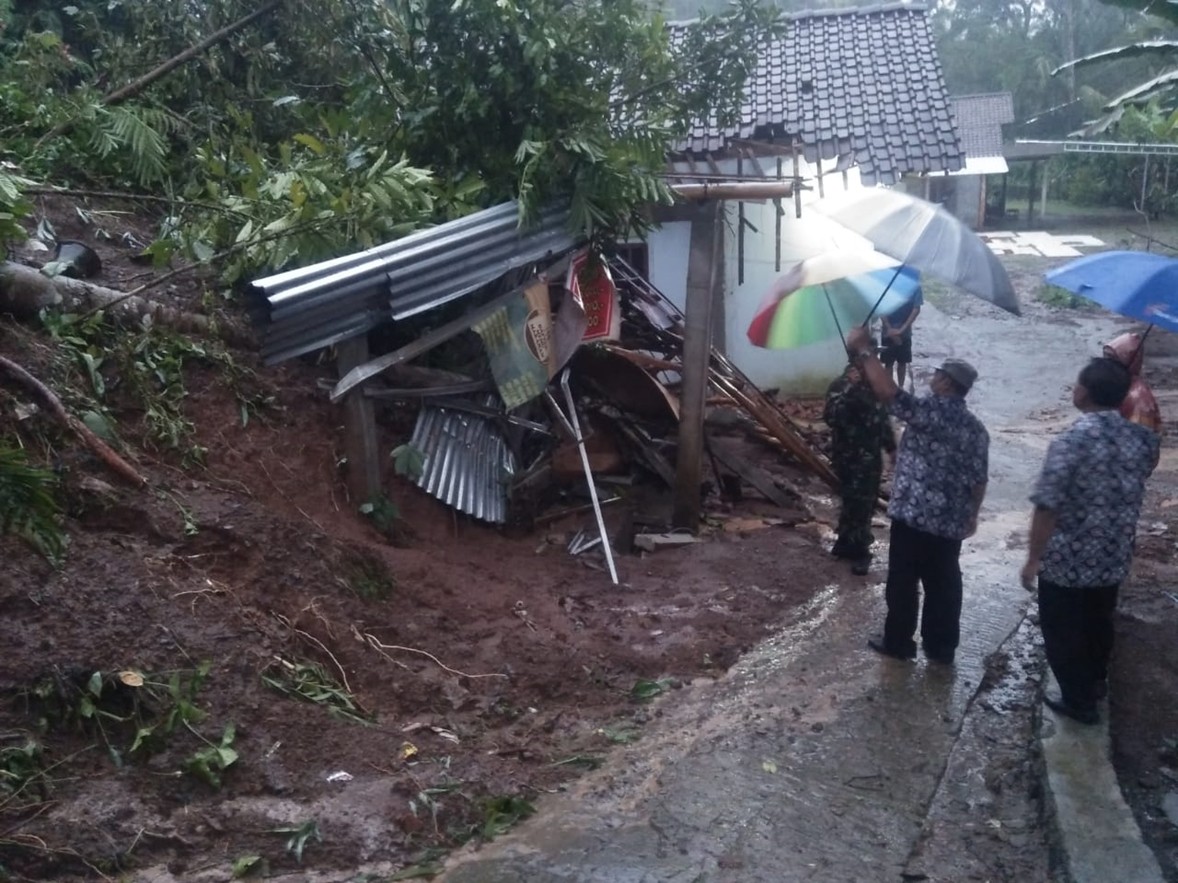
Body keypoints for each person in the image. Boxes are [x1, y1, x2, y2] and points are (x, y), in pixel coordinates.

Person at [1020, 357, 1159, 725]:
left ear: (1085, 392)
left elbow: (1047, 506)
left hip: (1069, 559)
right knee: (1099, 619)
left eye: (1077, 383)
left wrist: (1034, 558)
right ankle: (1095, 682)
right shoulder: (1144, 438)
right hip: (1114, 553)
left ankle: (1078, 701)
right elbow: (1142, 474)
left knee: (1062, 628)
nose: (1074, 389)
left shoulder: (1070, 441)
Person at [844, 326, 989, 665]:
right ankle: (941, 649)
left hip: (914, 517)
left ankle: (899, 642)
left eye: (938, 374)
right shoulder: (976, 429)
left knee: (904, 582)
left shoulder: (930, 412)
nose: (933, 377)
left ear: (948, 384)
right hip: (950, 521)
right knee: (944, 584)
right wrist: (973, 514)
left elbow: (888, 392)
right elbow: (979, 479)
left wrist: (865, 351)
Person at [823, 359, 897, 576]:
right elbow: (831, 417)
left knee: (865, 502)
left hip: (869, 456)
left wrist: (891, 447)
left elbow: (882, 418)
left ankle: (860, 546)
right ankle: (848, 542)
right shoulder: (841, 386)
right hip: (847, 455)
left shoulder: (875, 386)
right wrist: (850, 390)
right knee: (851, 499)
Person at [1103, 331, 1162, 434]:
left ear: (1127, 361)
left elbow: (1140, 438)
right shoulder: (1120, 384)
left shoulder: (1138, 398)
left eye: (1111, 359)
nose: (1105, 363)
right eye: (1105, 357)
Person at [880, 287, 923, 389]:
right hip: (899, 332)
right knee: (892, 363)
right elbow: (916, 309)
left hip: (895, 332)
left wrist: (892, 329)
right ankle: (897, 388)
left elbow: (916, 309)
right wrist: (899, 329)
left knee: (898, 362)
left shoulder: (914, 287)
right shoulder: (914, 286)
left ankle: (898, 388)